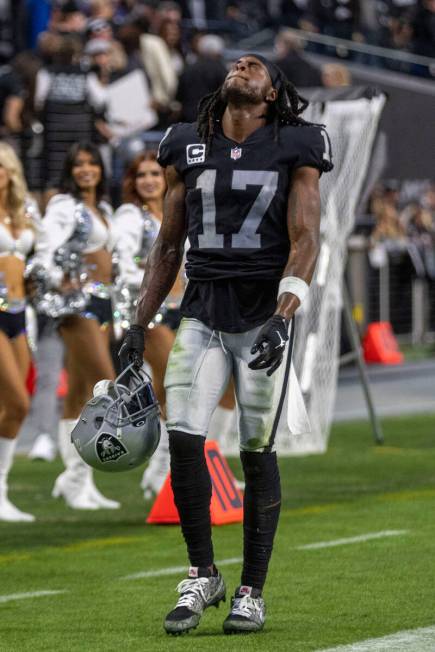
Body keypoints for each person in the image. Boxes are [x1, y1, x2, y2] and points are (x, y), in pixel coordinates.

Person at [120, 54, 333, 634]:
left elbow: (306, 236)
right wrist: (138, 322)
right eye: (238, 63)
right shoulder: (187, 141)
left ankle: (251, 590)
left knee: (256, 447)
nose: (242, 65)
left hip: (262, 313)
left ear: (272, 91)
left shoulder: (298, 142)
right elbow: (168, 244)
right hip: (203, 310)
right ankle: (202, 572)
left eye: (255, 65)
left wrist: (285, 315)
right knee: (184, 440)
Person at [33, 142, 120, 510]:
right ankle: (73, 478)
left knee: (82, 393)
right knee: (106, 383)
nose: (86, 170)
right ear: (70, 171)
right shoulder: (63, 206)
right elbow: (45, 248)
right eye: (79, 165)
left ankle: (79, 480)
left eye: (92, 163)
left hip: (102, 302)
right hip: (77, 305)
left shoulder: (100, 207)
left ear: (101, 169)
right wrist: (57, 279)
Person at [113, 151, 184, 498]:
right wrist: (147, 284)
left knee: (175, 388)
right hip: (152, 312)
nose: (149, 180)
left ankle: (167, 470)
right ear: (132, 181)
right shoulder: (130, 216)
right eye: (141, 174)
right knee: (174, 384)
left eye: (155, 173)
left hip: (184, 308)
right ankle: (160, 472)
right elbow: (121, 261)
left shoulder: (178, 210)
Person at [0, 142, 39, 522]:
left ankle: (2, 491)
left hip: (19, 311)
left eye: (3, 167)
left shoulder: (23, 214)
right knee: (18, 403)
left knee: (15, 403)